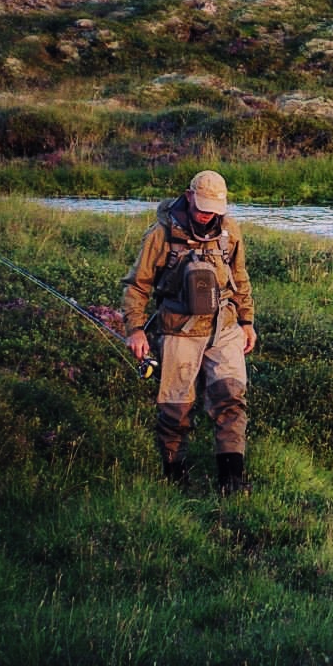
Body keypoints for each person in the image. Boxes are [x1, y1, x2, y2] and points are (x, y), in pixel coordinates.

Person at [121, 170, 257, 493]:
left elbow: (240, 278)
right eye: (202, 207)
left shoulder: (230, 232)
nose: (207, 214)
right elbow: (136, 286)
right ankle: (175, 480)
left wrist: (247, 322)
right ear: (189, 195)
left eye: (214, 209)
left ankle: (232, 482)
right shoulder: (161, 234)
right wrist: (136, 329)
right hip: (177, 331)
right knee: (175, 410)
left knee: (231, 400)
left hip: (224, 330)